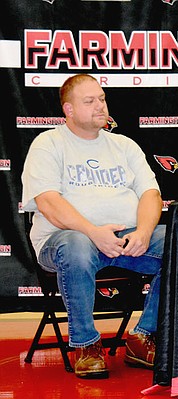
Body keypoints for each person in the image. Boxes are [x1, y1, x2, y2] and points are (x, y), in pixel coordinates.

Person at [21, 74, 165, 378]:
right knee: (76, 243)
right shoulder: (48, 144)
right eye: (90, 101)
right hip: (66, 242)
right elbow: (48, 202)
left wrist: (143, 230)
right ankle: (85, 344)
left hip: (125, 238)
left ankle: (143, 336)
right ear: (69, 110)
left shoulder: (124, 145)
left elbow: (151, 194)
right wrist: (92, 231)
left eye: (101, 98)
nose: (100, 105)